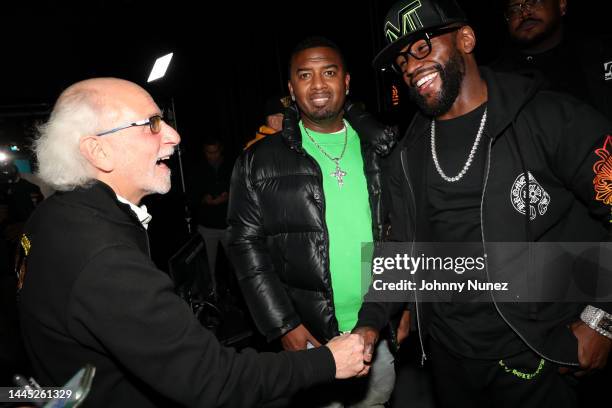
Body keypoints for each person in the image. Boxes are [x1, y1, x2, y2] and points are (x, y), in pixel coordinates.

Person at [17, 77, 366, 408]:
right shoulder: (104, 257)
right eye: (152, 123)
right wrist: (326, 361)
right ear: (98, 150)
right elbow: (213, 380)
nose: (173, 135)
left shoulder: (53, 216)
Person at [353, 0, 612, 407]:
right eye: (401, 61)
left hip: (541, 352)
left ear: (466, 39)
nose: (410, 67)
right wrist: (369, 324)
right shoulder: (409, 151)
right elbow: (399, 246)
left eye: (422, 48)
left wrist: (603, 317)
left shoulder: (549, 117)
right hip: (449, 360)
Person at [228, 37, 401, 407]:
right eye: (305, 75)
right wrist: (284, 325)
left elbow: (403, 233)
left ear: (347, 81)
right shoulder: (259, 160)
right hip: (308, 336)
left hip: (378, 328)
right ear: (291, 89)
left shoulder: (383, 148)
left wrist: (404, 308)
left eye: (329, 72)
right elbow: (245, 245)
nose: (319, 84)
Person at [490, 0, 612, 119]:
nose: (524, 13)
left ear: (561, 5)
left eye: (534, 2)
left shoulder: (600, 53)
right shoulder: (496, 80)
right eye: (514, 9)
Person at [191, 138, 233, 277]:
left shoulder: (230, 165)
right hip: (207, 227)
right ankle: (212, 295)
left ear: (220, 150)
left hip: (228, 225)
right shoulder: (197, 168)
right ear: (204, 152)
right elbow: (191, 194)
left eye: (215, 152)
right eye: (209, 152)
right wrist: (204, 198)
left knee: (236, 265)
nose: (212, 155)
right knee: (208, 269)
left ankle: (236, 295)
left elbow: (240, 188)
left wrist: (228, 196)